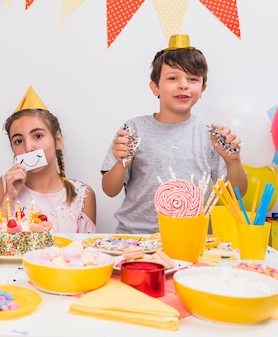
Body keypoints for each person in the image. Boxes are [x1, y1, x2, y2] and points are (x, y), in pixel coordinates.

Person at [100, 34, 248, 235]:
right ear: (155, 87)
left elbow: (236, 194)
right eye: (172, 78)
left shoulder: (211, 134)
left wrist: (233, 161)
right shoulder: (133, 128)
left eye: (192, 79)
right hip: (137, 236)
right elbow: (109, 189)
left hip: (194, 238)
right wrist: (121, 163)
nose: (183, 85)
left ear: (202, 88)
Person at [0, 86, 97, 233]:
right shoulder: (1, 186)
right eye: (18, 141)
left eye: (38, 136)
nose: (28, 148)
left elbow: (85, 250)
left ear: (57, 140)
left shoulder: (83, 195)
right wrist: (9, 196)